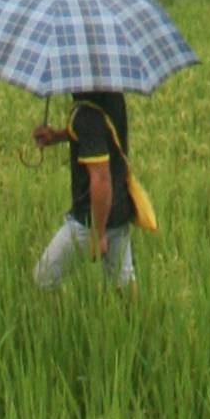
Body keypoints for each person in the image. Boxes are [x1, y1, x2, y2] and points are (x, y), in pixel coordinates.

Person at [31, 89, 138, 288]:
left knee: (43, 278)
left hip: (89, 217)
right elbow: (98, 134)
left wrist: (97, 234)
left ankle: (62, 319)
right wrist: (58, 135)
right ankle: (136, 320)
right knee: (122, 284)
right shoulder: (112, 95)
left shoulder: (86, 114)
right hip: (120, 207)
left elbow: (101, 177)